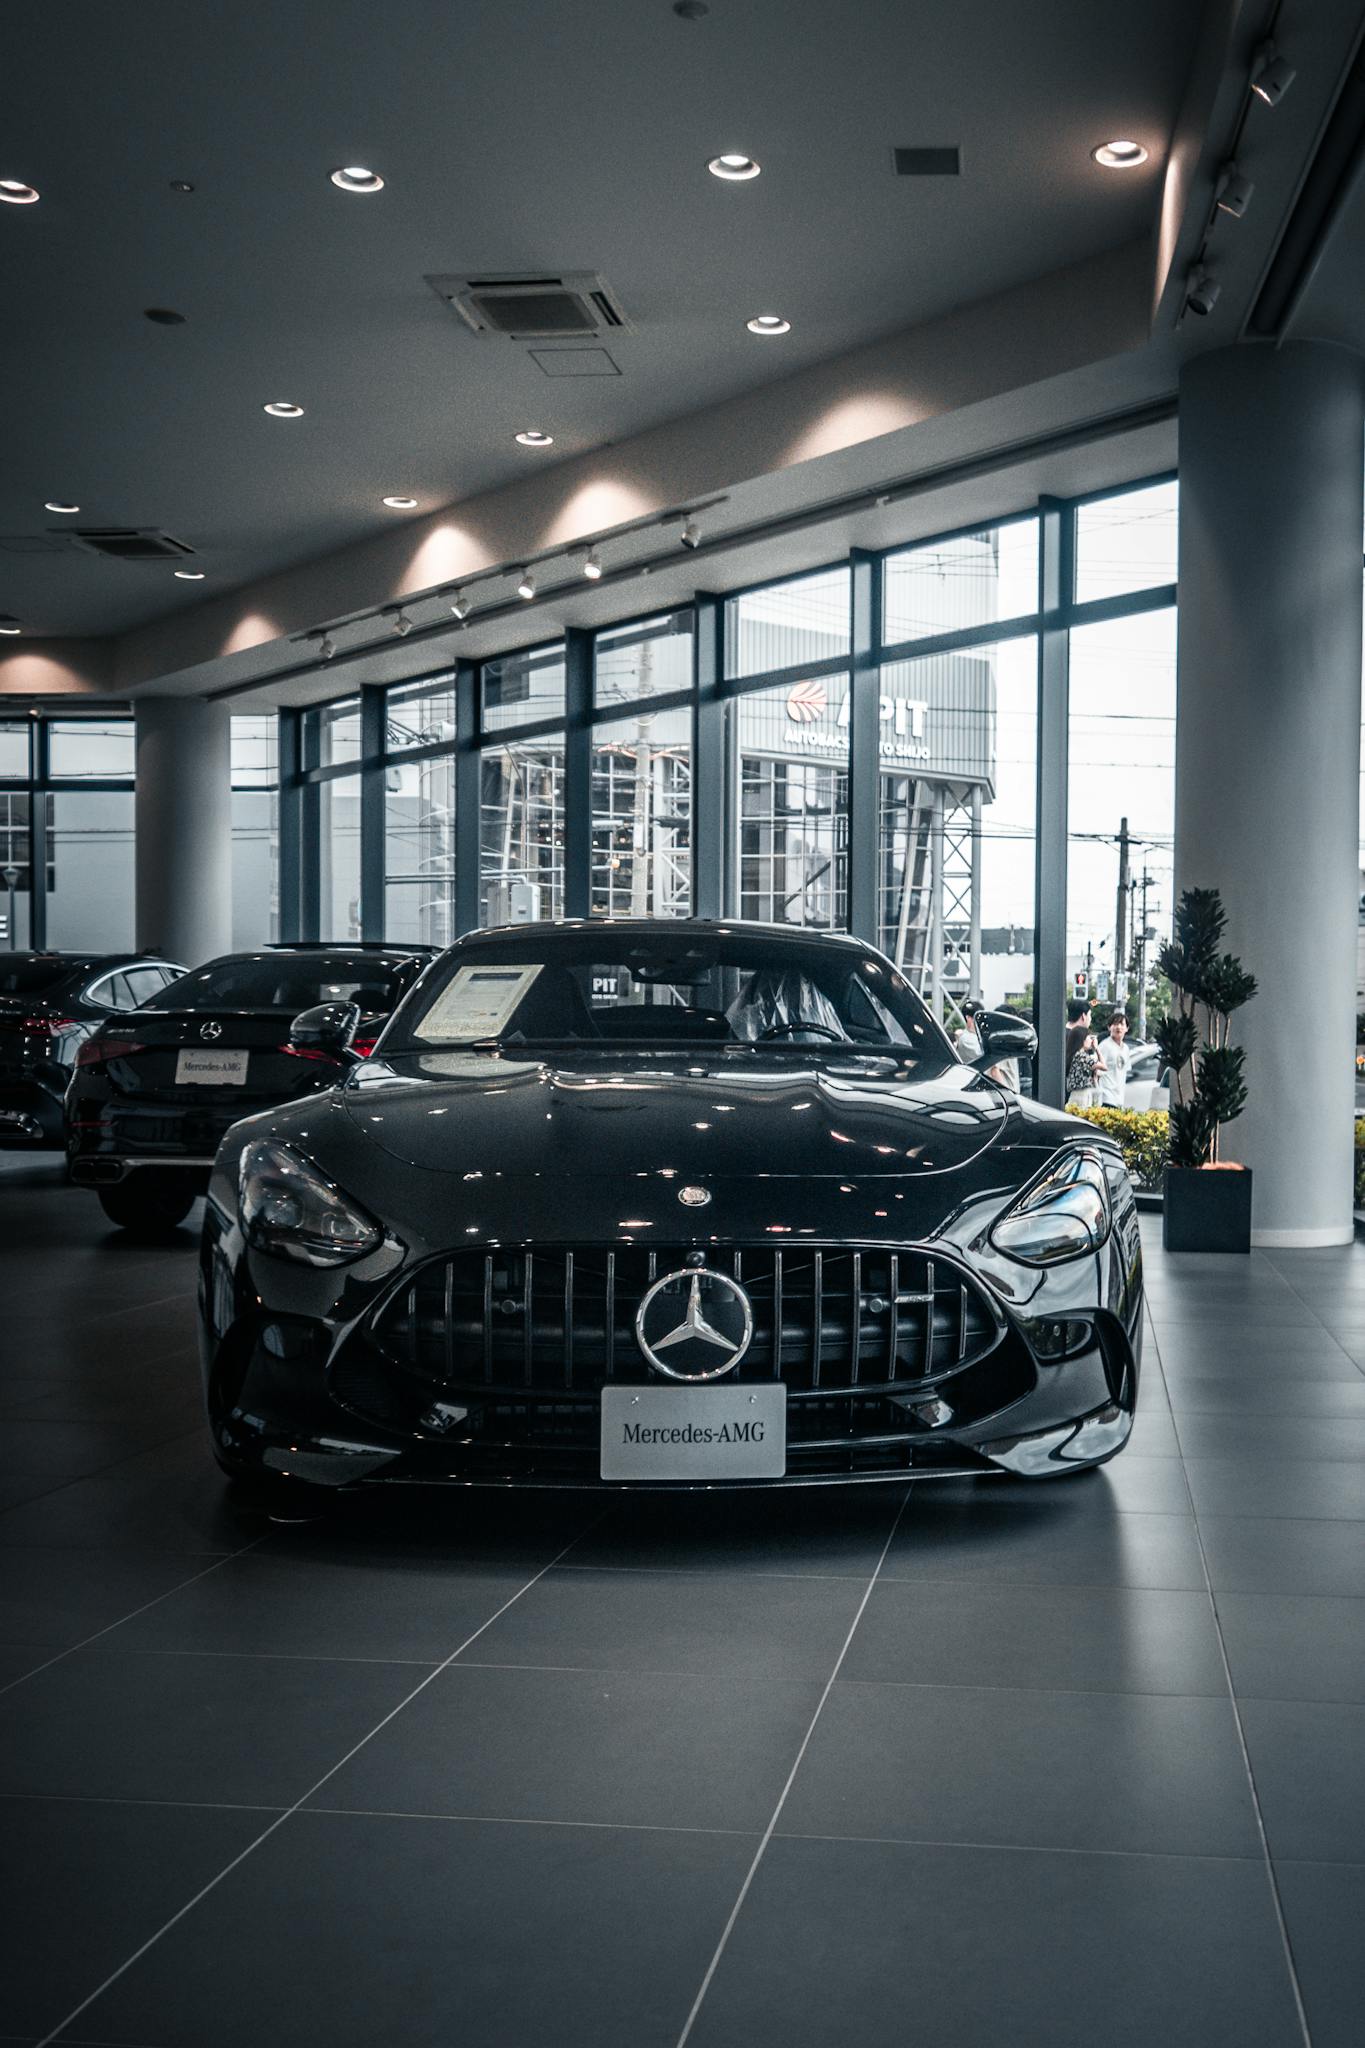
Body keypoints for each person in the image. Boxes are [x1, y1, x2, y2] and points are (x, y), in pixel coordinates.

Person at [1064, 998, 1102, 1110]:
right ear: (1083, 1016)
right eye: (1089, 1015)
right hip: (1074, 1096)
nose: (1090, 1019)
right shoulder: (1080, 1039)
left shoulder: (1059, 1033)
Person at [1097, 1010, 1133, 1108]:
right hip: (1106, 1097)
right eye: (1115, 1024)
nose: (1118, 1027)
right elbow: (1097, 1071)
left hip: (1119, 1098)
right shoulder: (1104, 1046)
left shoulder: (1126, 1048)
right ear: (1109, 1027)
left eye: (1122, 1024)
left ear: (1127, 1028)